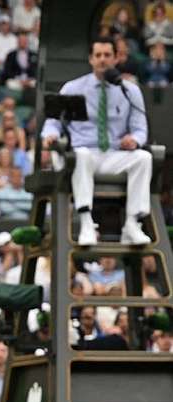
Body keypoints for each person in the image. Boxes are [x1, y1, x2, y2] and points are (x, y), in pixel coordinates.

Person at [41, 37, 152, 246]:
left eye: (107, 55)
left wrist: (135, 140)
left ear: (116, 58)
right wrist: (50, 135)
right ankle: (86, 223)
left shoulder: (130, 90)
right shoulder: (72, 88)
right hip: (83, 155)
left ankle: (132, 224)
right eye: (98, 55)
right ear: (91, 59)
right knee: (81, 155)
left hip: (113, 154)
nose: (102, 60)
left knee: (143, 158)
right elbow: (53, 121)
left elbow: (140, 128)